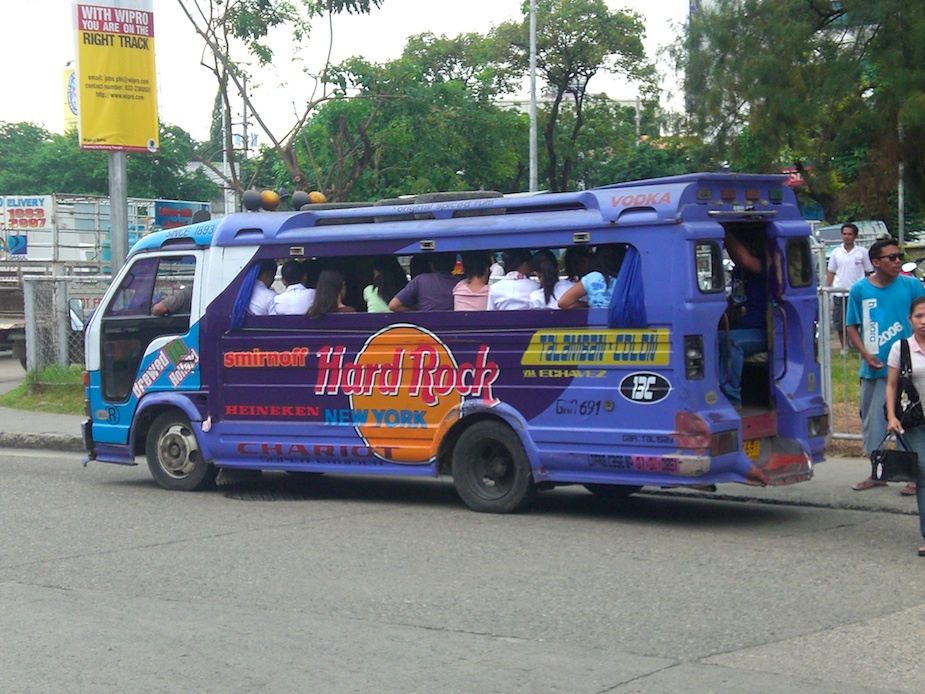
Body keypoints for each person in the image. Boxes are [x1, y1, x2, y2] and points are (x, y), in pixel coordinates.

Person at [848, 238, 925, 492]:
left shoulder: (911, 285)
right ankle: (877, 472)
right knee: (874, 423)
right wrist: (865, 354)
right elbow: (851, 325)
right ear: (876, 262)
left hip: (910, 368)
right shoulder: (860, 290)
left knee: (911, 421)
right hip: (876, 368)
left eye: (899, 256)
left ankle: (916, 475)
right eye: (892, 257)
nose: (897, 261)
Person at [884, 296, 925, 554]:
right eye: (919, 316)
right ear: (910, 319)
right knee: (923, 471)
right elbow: (891, 385)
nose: (924, 321)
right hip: (915, 421)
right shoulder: (901, 348)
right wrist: (891, 416)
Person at [714, 230, 768, 409]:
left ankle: (731, 398)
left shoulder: (765, 263)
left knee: (731, 342)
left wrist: (728, 235)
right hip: (741, 328)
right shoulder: (738, 271)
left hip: (763, 332)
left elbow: (747, 261)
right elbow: (736, 297)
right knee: (711, 339)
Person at [826, 223, 873, 352]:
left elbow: (868, 271)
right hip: (839, 293)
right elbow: (831, 271)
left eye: (850, 234)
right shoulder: (836, 252)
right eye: (844, 234)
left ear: (855, 236)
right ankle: (844, 347)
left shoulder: (862, 252)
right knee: (840, 322)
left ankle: (859, 347)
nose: (847, 237)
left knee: (859, 320)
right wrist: (827, 289)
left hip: (857, 293)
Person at [558, 243, 625, 310]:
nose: (579, 266)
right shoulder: (627, 279)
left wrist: (589, 304)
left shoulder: (592, 278)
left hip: (597, 317)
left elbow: (563, 303)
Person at [389, 252, 461, 312]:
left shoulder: (420, 280)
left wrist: (416, 309)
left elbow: (393, 306)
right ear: (454, 264)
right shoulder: (462, 281)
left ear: (431, 265)